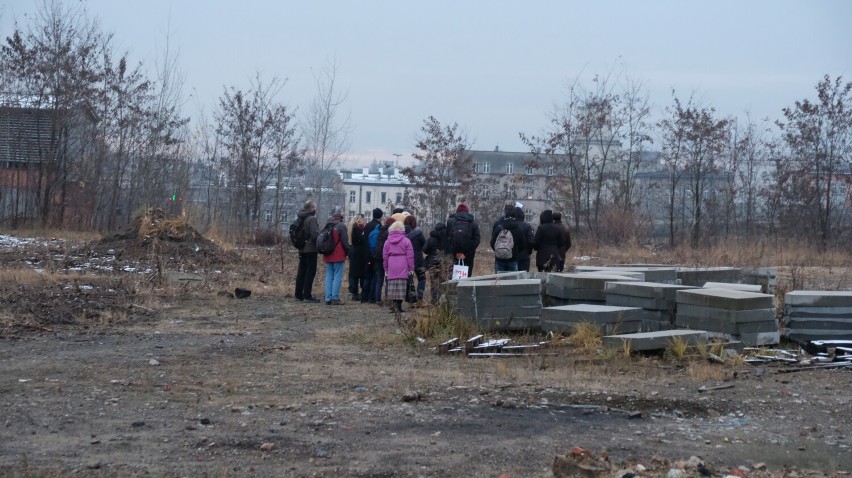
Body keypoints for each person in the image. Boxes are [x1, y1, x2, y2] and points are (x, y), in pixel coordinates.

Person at [383, 220, 415, 314]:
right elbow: (410, 256)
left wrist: (386, 268)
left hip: (391, 263)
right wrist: (411, 268)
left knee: (392, 285)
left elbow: (384, 256)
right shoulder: (406, 240)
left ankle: (395, 306)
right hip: (403, 263)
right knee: (402, 285)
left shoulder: (387, 241)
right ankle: (399, 306)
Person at [322, 206, 350, 305]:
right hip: (338, 253)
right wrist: (347, 252)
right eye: (342, 210)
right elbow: (344, 242)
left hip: (328, 252)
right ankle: (335, 297)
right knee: (337, 276)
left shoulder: (328, 223)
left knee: (329, 275)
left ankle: (327, 298)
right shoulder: (341, 225)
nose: (343, 212)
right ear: (338, 213)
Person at [294, 200, 320, 303]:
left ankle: (298, 294)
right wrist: (319, 244)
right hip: (310, 249)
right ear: (311, 208)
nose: (316, 208)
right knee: (310, 272)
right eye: (315, 207)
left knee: (301, 272)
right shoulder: (312, 219)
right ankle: (307, 295)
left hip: (302, 248)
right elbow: (314, 235)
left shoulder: (300, 218)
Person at [445, 203, 481, 277]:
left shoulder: (450, 221)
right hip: (468, 257)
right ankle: (465, 288)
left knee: (453, 277)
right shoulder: (473, 223)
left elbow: (447, 239)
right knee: (466, 278)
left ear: (457, 212)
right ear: (467, 212)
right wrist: (465, 254)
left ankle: (453, 288)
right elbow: (477, 240)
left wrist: (453, 253)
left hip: (453, 255)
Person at [490, 204, 527, 273]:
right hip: (513, 258)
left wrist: (499, 250)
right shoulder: (518, 228)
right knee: (512, 281)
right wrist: (515, 251)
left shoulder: (498, 228)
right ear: (514, 217)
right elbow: (523, 244)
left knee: (499, 281)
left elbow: (492, 242)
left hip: (499, 259)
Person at [361, 208, 384, 303]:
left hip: (366, 253)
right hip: (375, 254)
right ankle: (372, 296)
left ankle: (364, 297)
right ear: (381, 216)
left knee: (367, 276)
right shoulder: (379, 227)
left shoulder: (367, 225)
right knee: (375, 276)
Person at [423, 222, 449, 304]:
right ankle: (443, 300)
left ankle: (434, 300)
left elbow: (425, 249)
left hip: (433, 262)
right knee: (444, 281)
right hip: (445, 262)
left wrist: (432, 253)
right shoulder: (448, 237)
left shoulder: (431, 238)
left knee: (434, 282)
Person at [371, 217, 394, 306]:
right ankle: (388, 299)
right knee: (388, 279)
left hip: (377, 257)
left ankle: (378, 299)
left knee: (379, 280)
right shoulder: (390, 233)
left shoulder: (380, 231)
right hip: (386, 258)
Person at [404, 214, 427, 304]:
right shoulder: (418, 233)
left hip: (405, 259)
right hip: (417, 259)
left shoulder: (401, 233)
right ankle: (419, 298)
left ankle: (410, 298)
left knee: (408, 280)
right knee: (422, 278)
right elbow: (424, 245)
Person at [347, 213, 368, 301]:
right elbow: (362, 240)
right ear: (359, 220)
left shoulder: (352, 229)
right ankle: (356, 293)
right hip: (359, 254)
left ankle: (354, 292)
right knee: (359, 274)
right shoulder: (358, 229)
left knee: (354, 274)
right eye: (363, 219)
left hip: (354, 253)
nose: (364, 221)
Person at [515, 206, 535, 272]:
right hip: (524, 255)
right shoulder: (527, 226)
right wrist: (528, 251)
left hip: (511, 255)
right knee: (523, 277)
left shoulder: (510, 225)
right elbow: (531, 241)